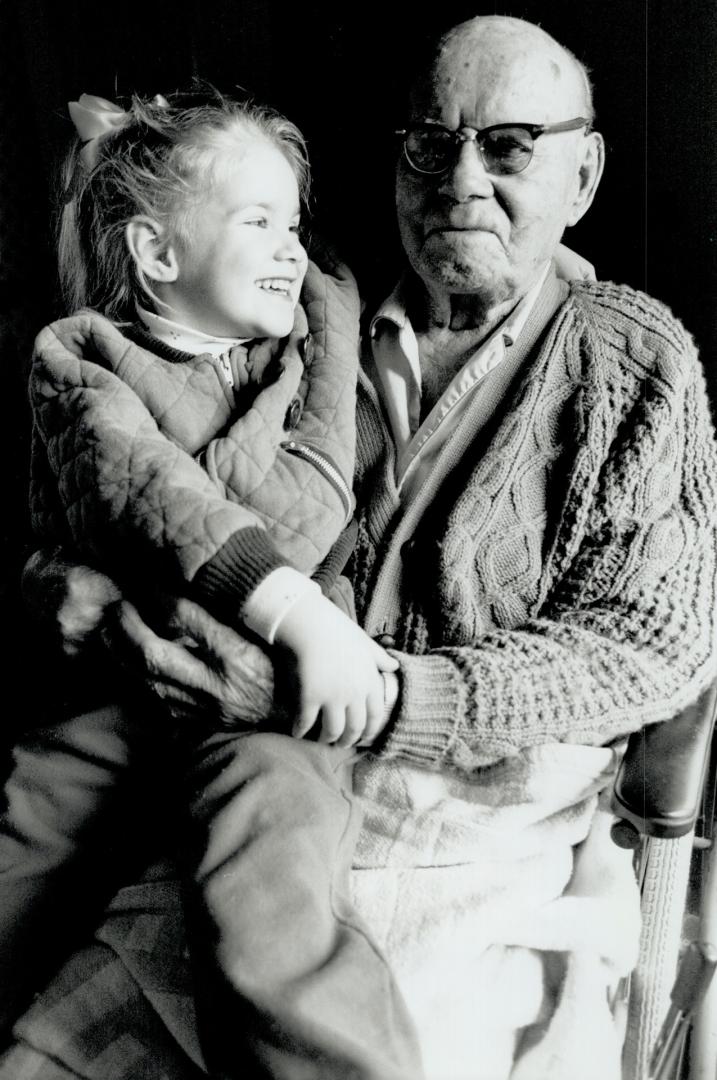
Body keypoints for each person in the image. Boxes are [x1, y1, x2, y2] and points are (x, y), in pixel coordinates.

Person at [7, 13, 717, 1080]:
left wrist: (396, 696)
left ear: (584, 173)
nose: (462, 179)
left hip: (472, 833)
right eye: (432, 144)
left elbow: (647, 649)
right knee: (48, 1050)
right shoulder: (299, 309)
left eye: (510, 145)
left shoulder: (634, 358)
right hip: (236, 787)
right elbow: (139, 484)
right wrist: (67, 591)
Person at [0, 89, 422, 1080]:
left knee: (273, 886)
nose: (291, 248)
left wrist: (308, 624)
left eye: (295, 224)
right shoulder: (82, 360)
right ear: (156, 254)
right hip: (110, 696)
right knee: (18, 862)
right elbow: (145, 493)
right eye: (257, 221)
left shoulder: (308, 365)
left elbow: (318, 506)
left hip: (259, 701)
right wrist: (286, 600)